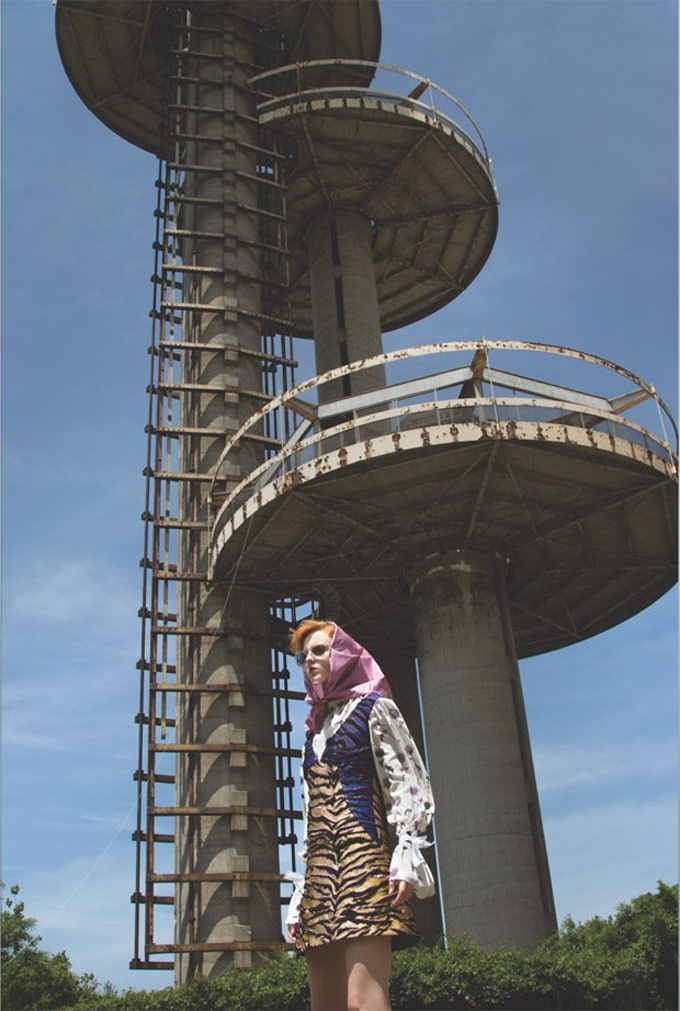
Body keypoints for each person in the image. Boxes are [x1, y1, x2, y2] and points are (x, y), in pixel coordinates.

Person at [283, 619, 436, 1011]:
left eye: (319, 651)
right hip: (320, 875)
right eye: (304, 656)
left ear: (344, 655)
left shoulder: (375, 710)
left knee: (361, 1002)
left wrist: (407, 851)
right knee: (325, 1005)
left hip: (363, 862)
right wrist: (302, 890)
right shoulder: (311, 736)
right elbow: (309, 813)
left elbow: (407, 781)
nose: (309, 661)